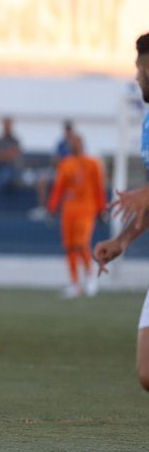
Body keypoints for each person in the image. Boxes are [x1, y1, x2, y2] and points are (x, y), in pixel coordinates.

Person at [94, 32, 149, 391]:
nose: (136, 76)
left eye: (139, 67)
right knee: (147, 372)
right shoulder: (147, 125)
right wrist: (123, 239)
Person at [47, 133, 105, 298]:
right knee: (70, 247)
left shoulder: (92, 163)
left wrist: (101, 209)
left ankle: (90, 277)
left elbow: (98, 187)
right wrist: (52, 207)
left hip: (86, 209)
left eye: (78, 142)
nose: (75, 145)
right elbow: (59, 188)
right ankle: (75, 284)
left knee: (82, 243)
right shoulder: (65, 164)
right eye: (73, 143)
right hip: (69, 211)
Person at [30, 120, 76, 221]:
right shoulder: (61, 144)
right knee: (42, 179)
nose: (68, 132)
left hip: (71, 174)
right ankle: (43, 207)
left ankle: (62, 209)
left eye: (69, 129)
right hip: (59, 171)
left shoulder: (75, 144)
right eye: (66, 129)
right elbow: (55, 159)